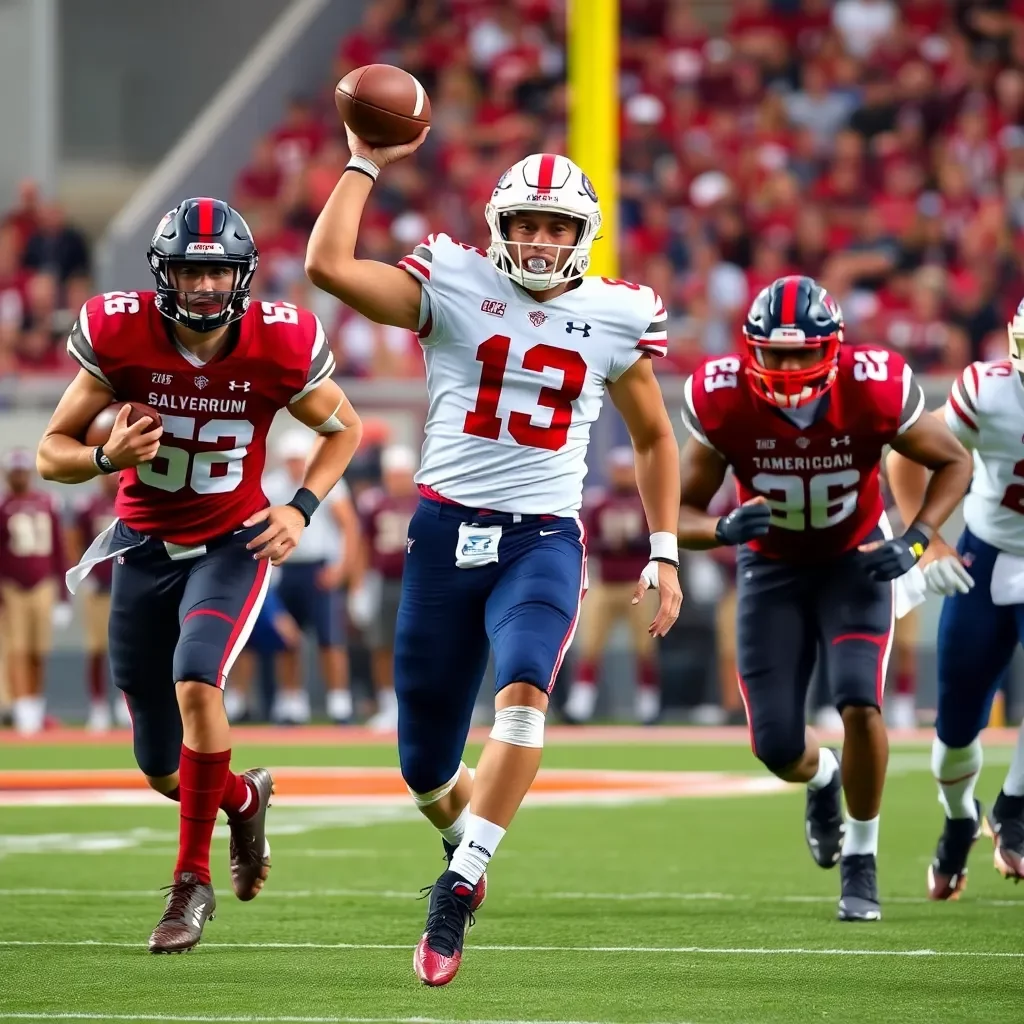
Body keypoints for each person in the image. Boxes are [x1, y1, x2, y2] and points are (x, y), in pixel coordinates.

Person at [305, 136, 683, 985]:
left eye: (557, 226)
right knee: (425, 769)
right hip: (443, 536)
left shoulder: (618, 313)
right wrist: (364, 160)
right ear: (498, 224)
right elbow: (328, 266)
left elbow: (656, 437)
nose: (541, 241)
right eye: (526, 223)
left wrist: (664, 549)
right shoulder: (453, 280)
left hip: (541, 539)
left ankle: (461, 881)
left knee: (522, 695)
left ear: (582, 234)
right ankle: (463, 837)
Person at [36, 197, 361, 953]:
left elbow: (342, 428)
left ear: (242, 275)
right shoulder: (121, 332)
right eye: (190, 271)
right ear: (165, 275)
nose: (206, 287)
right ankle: (244, 799)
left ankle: (191, 884)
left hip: (231, 544)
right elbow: (53, 451)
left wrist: (301, 508)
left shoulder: (279, 341)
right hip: (143, 549)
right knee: (159, 767)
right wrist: (106, 458)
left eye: (218, 272)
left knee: (196, 682)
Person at [677, 275, 971, 922]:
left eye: (802, 353)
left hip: (854, 560)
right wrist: (722, 528)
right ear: (751, 348)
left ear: (832, 348)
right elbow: (677, 512)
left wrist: (918, 538)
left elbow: (954, 461)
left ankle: (861, 859)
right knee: (776, 746)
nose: (787, 369)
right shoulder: (723, 397)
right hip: (771, 570)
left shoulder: (873, 385)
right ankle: (822, 775)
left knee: (860, 700)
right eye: (774, 354)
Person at [886, 299, 1024, 896]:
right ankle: (960, 817)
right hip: (986, 559)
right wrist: (928, 539)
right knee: (955, 731)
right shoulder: (989, 392)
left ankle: (1014, 810)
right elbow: (907, 453)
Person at [263, 429, 360, 724]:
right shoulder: (272, 485)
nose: (294, 466)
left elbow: (349, 526)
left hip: (320, 569)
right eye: (290, 460)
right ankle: (292, 702)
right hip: (285, 569)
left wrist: (341, 568)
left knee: (330, 639)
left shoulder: (327, 482)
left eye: (298, 460)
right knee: (286, 640)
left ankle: (339, 703)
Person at [565, 447, 661, 724]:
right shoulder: (599, 503)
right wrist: (611, 545)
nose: (622, 474)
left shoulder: (646, 503)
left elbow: (658, 540)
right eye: (618, 469)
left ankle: (649, 707)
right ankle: (580, 706)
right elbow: (586, 540)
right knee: (590, 645)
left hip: (639, 584)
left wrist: (630, 543)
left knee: (645, 647)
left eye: (626, 469)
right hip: (605, 584)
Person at [0, 448, 70, 734]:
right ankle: (21, 708)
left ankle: (35, 706)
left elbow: (59, 548)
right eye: (14, 471)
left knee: (39, 650)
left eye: (22, 471)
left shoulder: (46, 502)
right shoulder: (3, 505)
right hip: (11, 588)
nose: (19, 476)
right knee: (16, 650)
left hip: (43, 585)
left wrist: (63, 596)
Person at [354, 443, 420, 731]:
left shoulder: (424, 501)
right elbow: (362, 545)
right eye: (393, 475)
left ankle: (417, 704)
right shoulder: (374, 502)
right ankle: (388, 704)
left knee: (420, 643)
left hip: (418, 581)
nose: (397, 480)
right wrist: (359, 586)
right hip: (384, 581)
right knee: (381, 643)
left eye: (401, 475)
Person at [66, 470, 121, 731]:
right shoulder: (88, 505)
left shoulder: (132, 502)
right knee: (96, 649)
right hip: (98, 589)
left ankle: (126, 702)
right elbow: (73, 540)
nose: (112, 478)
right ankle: (98, 705)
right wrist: (83, 573)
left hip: (128, 586)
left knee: (130, 649)